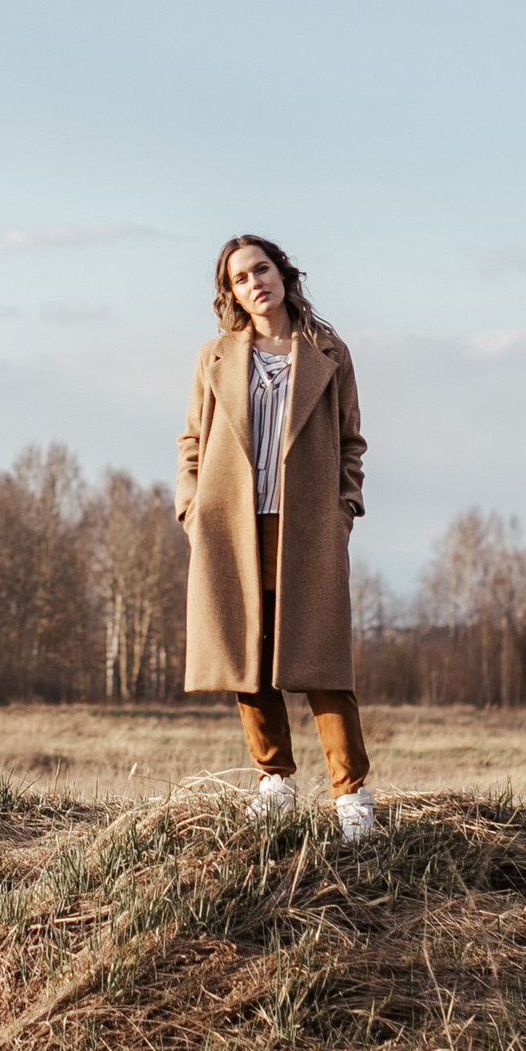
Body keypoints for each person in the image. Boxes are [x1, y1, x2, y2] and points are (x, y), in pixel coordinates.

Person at [176, 234, 377, 838]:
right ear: (231, 293)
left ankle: (351, 796)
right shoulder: (214, 356)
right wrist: (191, 507)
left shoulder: (328, 353)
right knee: (248, 656)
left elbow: (351, 442)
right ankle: (275, 781)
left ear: (283, 275)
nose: (254, 283)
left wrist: (344, 507)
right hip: (230, 526)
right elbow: (193, 441)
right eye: (239, 278)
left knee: (321, 662)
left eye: (260, 269)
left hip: (307, 527)